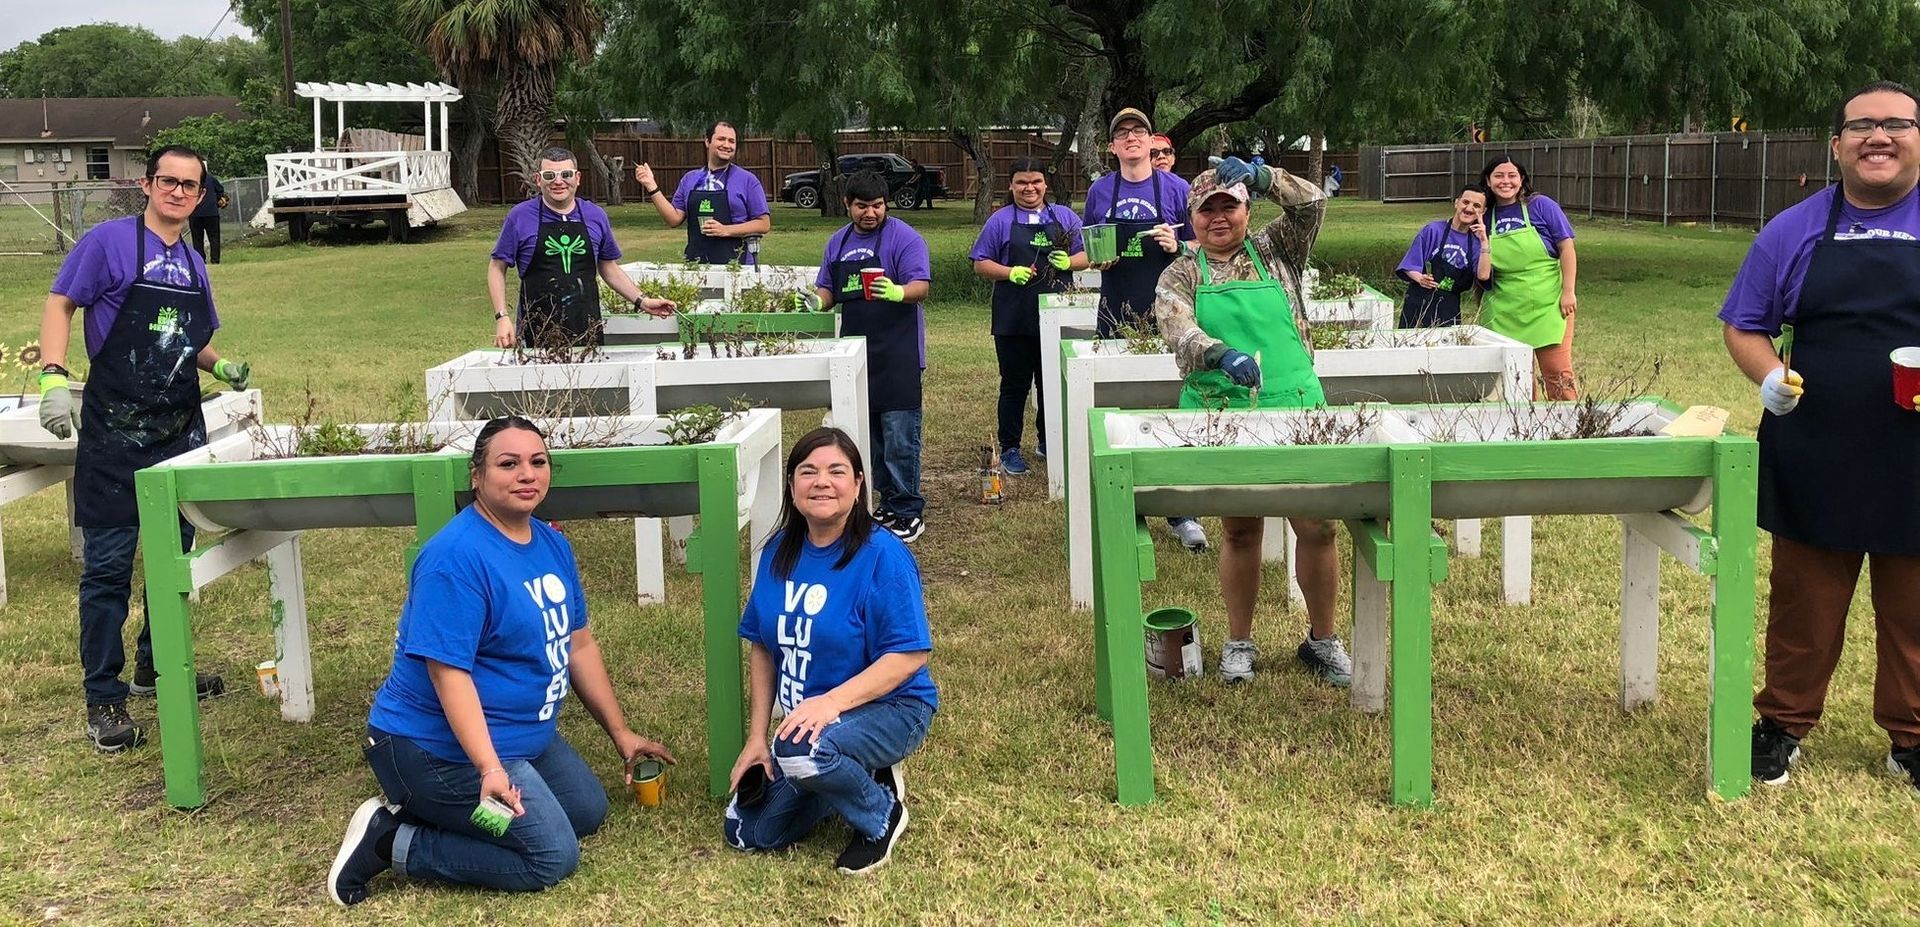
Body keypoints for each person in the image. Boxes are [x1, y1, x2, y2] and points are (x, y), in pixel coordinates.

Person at [327, 417, 676, 906]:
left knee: (586, 811)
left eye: (537, 462)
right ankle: (392, 840)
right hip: (433, 749)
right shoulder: (455, 558)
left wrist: (621, 734)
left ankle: (447, 813)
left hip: (518, 739)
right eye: (507, 464)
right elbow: (448, 675)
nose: (526, 474)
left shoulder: (552, 544)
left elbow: (579, 646)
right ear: (477, 475)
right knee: (552, 854)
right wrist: (489, 769)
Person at [1720, 80, 1920, 795]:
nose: (1880, 136)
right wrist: (1769, 375)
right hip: (1817, 446)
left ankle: (1914, 737)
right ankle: (1782, 723)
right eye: (1862, 125)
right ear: (1836, 145)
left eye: (1897, 123)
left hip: (1916, 458)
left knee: (1916, 607)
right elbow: (1744, 324)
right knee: (1803, 601)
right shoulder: (1794, 228)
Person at [37, 144, 250, 751]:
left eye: (190, 185)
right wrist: (54, 375)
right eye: (168, 181)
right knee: (107, 570)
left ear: (202, 195)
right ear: (148, 183)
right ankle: (103, 697)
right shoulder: (107, 244)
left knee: (171, 559)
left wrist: (221, 365)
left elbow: (185, 338)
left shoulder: (193, 263)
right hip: (113, 431)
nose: (178, 192)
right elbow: (61, 302)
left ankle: (156, 669)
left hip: (177, 429)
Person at [1151, 159, 1352, 688]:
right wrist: (1218, 354)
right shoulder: (1182, 272)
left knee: (1317, 524)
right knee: (1240, 528)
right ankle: (1239, 642)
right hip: (1223, 411)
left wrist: (1267, 176)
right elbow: (1176, 326)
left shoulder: (1276, 249)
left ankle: (1322, 640)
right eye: (1207, 208)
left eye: (1230, 205)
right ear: (1191, 218)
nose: (1219, 217)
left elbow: (1312, 203)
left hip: (1295, 405)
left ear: (1246, 209)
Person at [723, 427, 936, 875]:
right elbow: (762, 645)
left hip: (894, 707)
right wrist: (757, 739)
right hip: (811, 721)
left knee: (800, 749)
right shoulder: (779, 550)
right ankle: (842, 771)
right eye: (808, 471)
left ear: (858, 485)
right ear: (792, 486)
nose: (822, 482)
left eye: (837, 471)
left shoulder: (884, 556)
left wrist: (831, 703)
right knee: (748, 830)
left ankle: (881, 814)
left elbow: (910, 656)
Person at [1084, 107, 1206, 552]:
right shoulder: (1100, 190)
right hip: (1116, 307)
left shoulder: (1177, 188)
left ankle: (1181, 511)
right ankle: (1124, 503)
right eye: (1123, 134)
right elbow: (1089, 244)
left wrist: (1181, 244)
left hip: (1169, 311)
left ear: (1152, 142)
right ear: (1113, 146)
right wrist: (1100, 257)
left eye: (1139, 132)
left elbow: (1206, 242)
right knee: (1115, 406)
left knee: (1170, 405)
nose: (1131, 139)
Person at [814, 171, 933, 544]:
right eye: (862, 206)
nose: (871, 213)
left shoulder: (905, 237)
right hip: (855, 351)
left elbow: (921, 286)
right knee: (870, 435)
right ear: (848, 205)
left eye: (878, 205)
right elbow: (828, 287)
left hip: (898, 351)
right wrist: (816, 301)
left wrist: (898, 291)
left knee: (900, 432)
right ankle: (886, 500)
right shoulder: (838, 242)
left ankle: (909, 508)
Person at [969, 157, 1089, 474]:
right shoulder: (1000, 220)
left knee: (1052, 382)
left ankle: (1048, 440)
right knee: (1015, 385)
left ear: (1045, 184)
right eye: (1022, 182)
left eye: (1035, 181)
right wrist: (1009, 272)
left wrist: (1069, 263)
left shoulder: (1063, 216)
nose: (1029, 188)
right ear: (1011, 186)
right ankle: (1010, 448)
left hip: (1058, 313)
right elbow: (980, 263)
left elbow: (1088, 255)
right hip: (1014, 316)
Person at [489, 147, 673, 349]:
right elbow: (497, 267)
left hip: (587, 328)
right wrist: (502, 317)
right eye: (549, 175)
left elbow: (608, 268)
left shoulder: (595, 215)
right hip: (535, 331)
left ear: (577, 178)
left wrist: (643, 301)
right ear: (538, 179)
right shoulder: (520, 216)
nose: (558, 182)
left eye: (566, 175)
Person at [1479, 156, 1580, 399]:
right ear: (1488, 181)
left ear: (1521, 179)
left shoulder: (1541, 205)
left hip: (1549, 304)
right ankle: (1525, 433)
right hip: (1504, 308)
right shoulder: (1484, 216)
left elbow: (1567, 248)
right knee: (1517, 381)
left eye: (1512, 175)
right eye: (1499, 176)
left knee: (1558, 374)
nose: (1506, 181)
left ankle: (1570, 431)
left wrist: (1568, 291)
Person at [633, 121, 773, 265]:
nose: (727, 145)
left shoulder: (747, 180)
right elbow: (673, 219)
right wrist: (651, 185)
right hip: (696, 267)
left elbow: (763, 224)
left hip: (737, 268)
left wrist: (726, 230)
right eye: (721, 139)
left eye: (732, 141)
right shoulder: (690, 179)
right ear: (707, 141)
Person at [1395, 183, 1493, 327]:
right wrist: (1420, 279)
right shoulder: (1433, 230)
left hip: (1449, 306)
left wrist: (1484, 241)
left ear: (1482, 212)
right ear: (1456, 203)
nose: (1469, 208)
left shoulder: (1477, 243)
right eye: (1465, 202)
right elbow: (1410, 265)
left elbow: (1483, 275)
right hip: (1419, 301)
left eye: (1476, 206)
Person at [187, 171, 226, 265]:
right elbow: (220, 190)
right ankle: (215, 260)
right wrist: (218, 199)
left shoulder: (189, 180)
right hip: (211, 213)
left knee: (197, 240)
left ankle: (200, 261)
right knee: (214, 238)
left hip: (195, 213)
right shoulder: (210, 178)